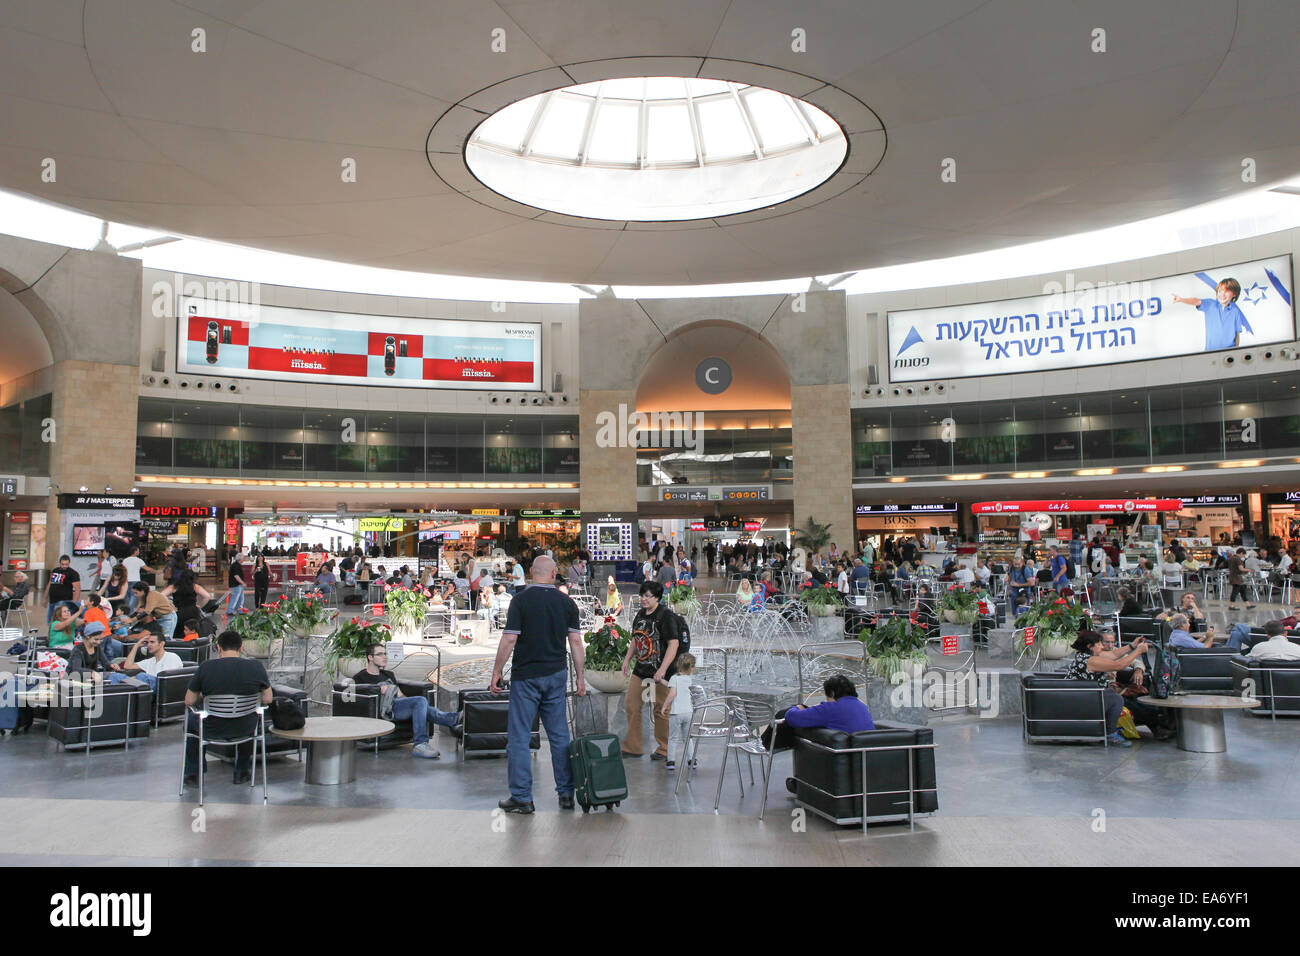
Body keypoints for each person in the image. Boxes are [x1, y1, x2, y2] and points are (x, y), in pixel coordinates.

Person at [490, 554, 585, 814]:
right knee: (559, 736)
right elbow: (576, 643)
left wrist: (496, 672)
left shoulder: (520, 600)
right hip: (556, 676)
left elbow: (509, 640)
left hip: (526, 677)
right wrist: (581, 679)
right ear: (554, 574)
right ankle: (566, 794)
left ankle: (522, 797)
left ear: (531, 572)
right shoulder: (567, 603)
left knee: (520, 737)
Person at [182, 630, 272, 787]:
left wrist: (206, 697)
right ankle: (241, 771)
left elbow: (189, 701)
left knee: (191, 720)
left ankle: (193, 773)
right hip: (245, 728)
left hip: (211, 728)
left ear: (218, 647)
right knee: (250, 715)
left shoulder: (206, 667)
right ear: (241, 647)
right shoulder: (256, 667)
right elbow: (268, 698)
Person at [351, 644, 461, 758]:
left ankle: (452, 720)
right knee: (420, 701)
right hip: (383, 710)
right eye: (380, 654)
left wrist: (408, 702)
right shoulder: (360, 677)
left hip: (397, 706)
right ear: (370, 657)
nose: (384, 657)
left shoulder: (388, 675)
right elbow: (361, 701)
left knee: (420, 704)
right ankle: (426, 739)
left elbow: (401, 696)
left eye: (385, 654)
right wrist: (378, 690)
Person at [620, 580, 680, 761]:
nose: (644, 599)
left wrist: (663, 669)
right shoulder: (640, 614)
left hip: (661, 672)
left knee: (661, 709)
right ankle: (633, 746)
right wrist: (627, 659)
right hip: (641, 669)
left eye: (648, 596)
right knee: (631, 704)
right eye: (642, 595)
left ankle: (664, 749)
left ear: (658, 598)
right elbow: (635, 639)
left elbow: (673, 644)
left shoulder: (666, 616)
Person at [1065, 630, 1150, 747]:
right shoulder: (1091, 661)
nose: (1102, 646)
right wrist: (1139, 651)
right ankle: (1110, 734)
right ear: (1090, 647)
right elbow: (1118, 665)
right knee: (1115, 699)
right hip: (1084, 699)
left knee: (1115, 695)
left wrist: (1132, 646)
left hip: (1087, 695)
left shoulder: (1086, 655)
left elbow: (1113, 655)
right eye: (1099, 644)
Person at [765, 673, 874, 761]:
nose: (826, 701)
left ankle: (767, 744)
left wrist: (797, 707)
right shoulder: (861, 705)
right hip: (865, 756)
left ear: (831, 693)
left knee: (784, 715)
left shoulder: (832, 708)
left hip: (841, 757)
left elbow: (791, 717)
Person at [1172, 277, 1248, 351]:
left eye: (1227, 291)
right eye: (1220, 291)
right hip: (1211, 351)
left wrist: (1236, 351)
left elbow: (1237, 334)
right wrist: (1182, 299)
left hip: (1229, 351)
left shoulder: (1235, 311)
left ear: (1234, 294)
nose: (1223, 294)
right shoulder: (1210, 304)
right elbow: (1196, 301)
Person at [658, 651, 696, 772]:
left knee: (673, 738)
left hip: (676, 713)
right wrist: (661, 681)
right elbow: (671, 685)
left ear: (678, 665)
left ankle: (671, 761)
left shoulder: (675, 678)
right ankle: (692, 760)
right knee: (687, 738)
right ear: (691, 668)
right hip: (688, 713)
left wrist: (664, 706)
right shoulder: (690, 679)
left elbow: (672, 693)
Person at [119, 630, 184, 690]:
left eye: (152, 642)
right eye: (147, 642)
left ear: (161, 644)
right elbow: (127, 666)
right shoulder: (150, 661)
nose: (149, 645)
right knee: (114, 676)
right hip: (147, 687)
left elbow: (167, 680)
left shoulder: (171, 657)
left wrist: (135, 678)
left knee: (142, 676)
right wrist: (137, 645)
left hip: (162, 687)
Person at [44, 554, 81, 623]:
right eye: (62, 564)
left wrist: (74, 603)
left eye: (66, 564)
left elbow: (77, 589)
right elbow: (49, 584)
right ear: (60, 563)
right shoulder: (55, 570)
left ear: (69, 563)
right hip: (52, 600)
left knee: (60, 621)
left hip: (64, 601)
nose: (64, 566)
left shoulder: (73, 573)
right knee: (50, 621)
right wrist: (45, 598)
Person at [226, 552, 247, 617]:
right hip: (236, 585)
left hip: (238, 585)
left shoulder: (236, 565)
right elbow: (236, 576)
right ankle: (229, 611)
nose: (244, 559)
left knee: (241, 598)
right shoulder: (236, 566)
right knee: (235, 598)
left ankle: (240, 610)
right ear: (240, 559)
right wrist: (242, 583)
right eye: (243, 558)